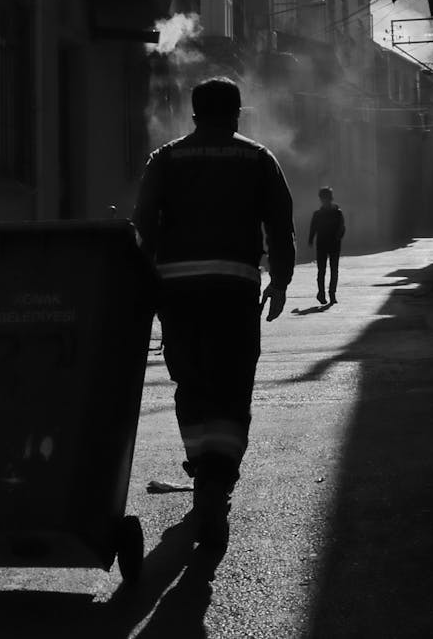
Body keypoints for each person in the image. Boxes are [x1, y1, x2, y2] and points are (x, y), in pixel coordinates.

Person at [133, 76, 296, 550]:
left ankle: (202, 463)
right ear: (238, 113)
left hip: (178, 293)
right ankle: (217, 478)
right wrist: (280, 281)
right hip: (234, 289)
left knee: (193, 381)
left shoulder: (165, 159)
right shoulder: (258, 157)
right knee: (231, 383)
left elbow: (144, 226)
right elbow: (280, 223)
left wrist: (145, 288)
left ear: (194, 114)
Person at [308, 187, 346, 305]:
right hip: (323, 245)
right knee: (322, 271)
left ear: (329, 199)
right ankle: (322, 294)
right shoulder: (318, 214)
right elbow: (313, 229)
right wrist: (310, 240)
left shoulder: (337, 213)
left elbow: (342, 228)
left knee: (333, 270)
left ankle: (332, 294)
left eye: (326, 198)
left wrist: (338, 236)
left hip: (333, 245)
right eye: (323, 198)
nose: (325, 200)